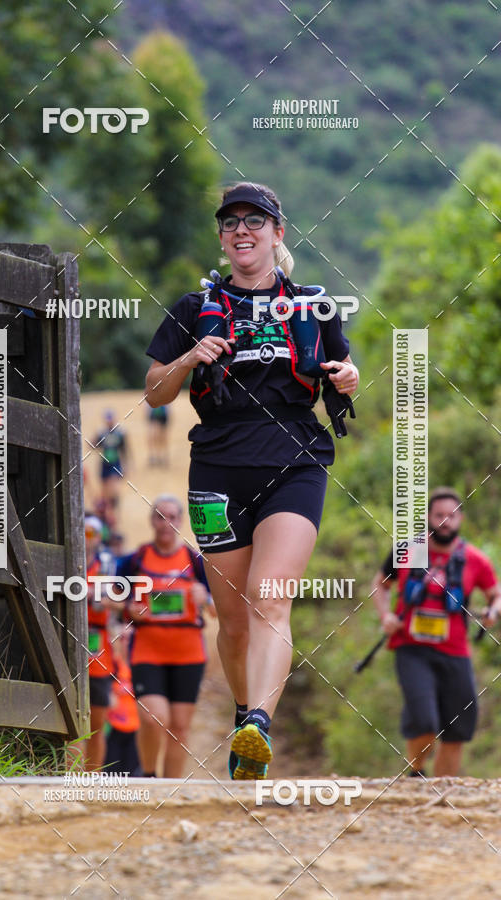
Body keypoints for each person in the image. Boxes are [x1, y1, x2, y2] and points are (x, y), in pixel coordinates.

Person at [144, 181, 358, 779]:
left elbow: (343, 370)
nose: (243, 230)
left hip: (295, 462)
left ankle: (258, 724)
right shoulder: (193, 309)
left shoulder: (313, 305)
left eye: (255, 220)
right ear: (221, 236)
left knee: (270, 599)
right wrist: (190, 358)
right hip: (216, 468)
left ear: (277, 232)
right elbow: (156, 393)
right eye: (232, 221)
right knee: (233, 619)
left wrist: (351, 377)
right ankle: (244, 712)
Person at [371, 487, 501, 777]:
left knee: (459, 729)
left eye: (451, 516)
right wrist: (386, 615)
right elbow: (380, 584)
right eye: (439, 515)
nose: (446, 521)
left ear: (460, 519)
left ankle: (444, 797)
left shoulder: (475, 559)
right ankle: (415, 772)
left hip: (455, 651)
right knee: (424, 720)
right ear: (429, 518)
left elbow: (496, 593)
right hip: (411, 647)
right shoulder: (408, 550)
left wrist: (493, 610)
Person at [118, 494, 215, 778]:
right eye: (160, 516)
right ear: (152, 521)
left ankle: (172, 792)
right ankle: (149, 775)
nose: (166, 523)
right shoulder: (135, 561)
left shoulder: (196, 562)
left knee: (180, 729)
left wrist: (205, 598)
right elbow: (112, 599)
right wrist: (128, 608)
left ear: (181, 521)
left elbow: (219, 610)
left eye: (172, 517)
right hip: (148, 651)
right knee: (152, 718)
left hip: (189, 653)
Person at [77, 514, 117, 770]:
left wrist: (98, 595)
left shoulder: (107, 566)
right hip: (70, 646)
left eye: (91, 533)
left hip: (98, 651)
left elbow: (121, 599)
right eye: (82, 532)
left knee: (96, 726)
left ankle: (93, 780)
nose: (85, 538)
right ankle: (69, 779)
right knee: (71, 727)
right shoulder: (66, 562)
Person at [104, 623, 141, 775]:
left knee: (133, 776)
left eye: (130, 638)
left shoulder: (143, 667)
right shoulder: (112, 666)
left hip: (136, 730)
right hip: (113, 729)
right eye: (122, 638)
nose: (126, 642)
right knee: (110, 774)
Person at [94, 410, 129, 515]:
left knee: (114, 489)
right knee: (105, 492)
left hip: (115, 463)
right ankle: (107, 513)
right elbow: (94, 445)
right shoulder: (102, 433)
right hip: (105, 464)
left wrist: (126, 465)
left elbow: (124, 450)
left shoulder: (120, 433)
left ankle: (114, 512)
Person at [146, 402, 170, 467]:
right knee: (154, 436)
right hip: (155, 412)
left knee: (162, 437)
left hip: (162, 413)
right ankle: (154, 456)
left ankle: (162, 456)